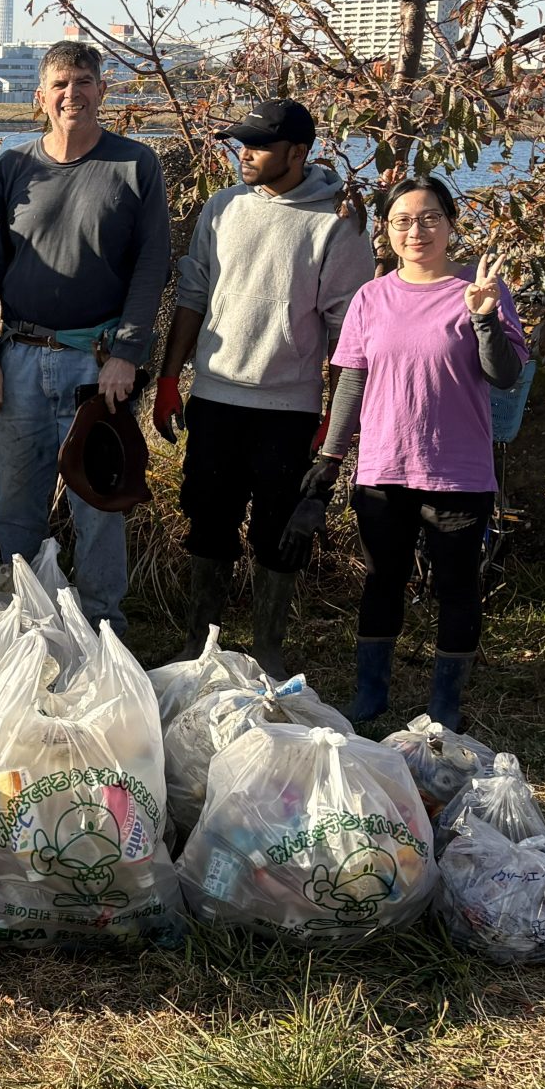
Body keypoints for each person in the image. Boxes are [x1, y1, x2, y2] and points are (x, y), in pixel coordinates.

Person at [287, 177, 527, 731]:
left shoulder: (481, 288)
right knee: (382, 579)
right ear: (387, 231)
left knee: (457, 585)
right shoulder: (372, 297)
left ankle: (446, 703)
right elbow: (351, 384)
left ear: (450, 223)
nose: (415, 231)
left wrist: (485, 316)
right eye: (402, 221)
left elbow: (506, 375)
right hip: (383, 468)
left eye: (428, 219)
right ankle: (370, 696)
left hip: (459, 470)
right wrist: (328, 460)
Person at [154, 98, 374, 676]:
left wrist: (333, 420)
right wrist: (171, 379)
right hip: (215, 398)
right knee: (208, 519)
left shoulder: (337, 222)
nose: (244, 154)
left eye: (258, 145)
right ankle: (198, 645)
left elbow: (347, 332)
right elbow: (192, 295)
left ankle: (269, 649)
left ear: (299, 152)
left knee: (278, 531)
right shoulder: (222, 208)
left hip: (288, 406)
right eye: (240, 143)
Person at [0, 40, 169, 629]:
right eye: (59, 84)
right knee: (16, 507)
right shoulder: (13, 167)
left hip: (97, 366)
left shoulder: (135, 165)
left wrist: (128, 355)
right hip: (19, 359)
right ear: (41, 97)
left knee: (101, 504)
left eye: (83, 81)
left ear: (102, 91)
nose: (71, 94)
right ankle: (23, 625)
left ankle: (104, 630)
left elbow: (151, 267)